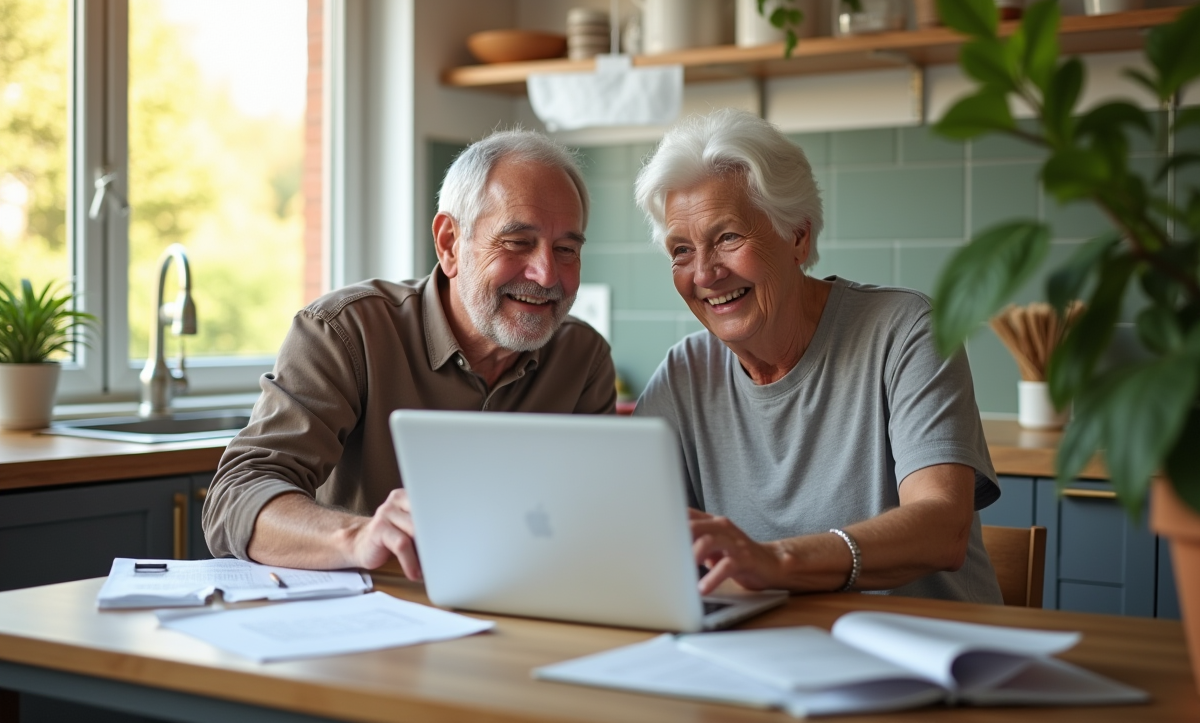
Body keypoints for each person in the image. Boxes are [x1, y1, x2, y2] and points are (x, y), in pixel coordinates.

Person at [203, 129, 617, 578]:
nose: (545, 274)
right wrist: (358, 537)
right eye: (517, 243)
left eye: (566, 249)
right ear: (449, 243)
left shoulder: (583, 357)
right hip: (366, 620)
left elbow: (595, 520)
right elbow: (235, 497)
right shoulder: (346, 332)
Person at [632, 108, 1002, 603]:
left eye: (727, 238)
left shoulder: (905, 330)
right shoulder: (683, 376)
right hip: (767, 654)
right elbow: (632, 535)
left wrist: (776, 561)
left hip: (931, 654)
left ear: (797, 237)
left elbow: (942, 527)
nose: (704, 273)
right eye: (681, 250)